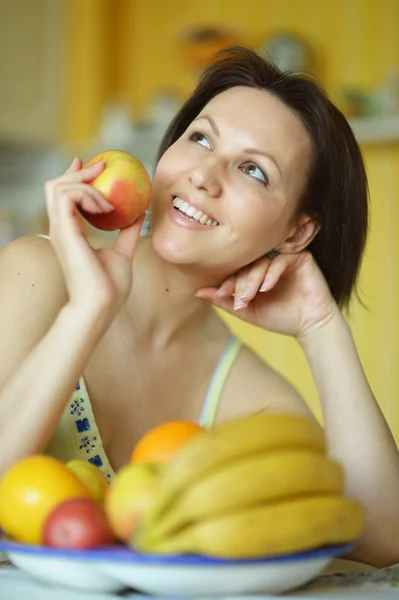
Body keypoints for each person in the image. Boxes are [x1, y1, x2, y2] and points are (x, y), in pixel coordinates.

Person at [0, 46, 398, 567]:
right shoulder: (36, 272)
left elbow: (383, 541)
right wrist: (86, 312)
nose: (204, 176)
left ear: (298, 231)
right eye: (201, 138)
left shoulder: (246, 398)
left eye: (253, 171)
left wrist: (322, 328)